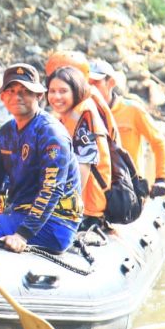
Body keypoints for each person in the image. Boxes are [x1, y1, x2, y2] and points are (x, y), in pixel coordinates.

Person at [0, 63, 82, 253]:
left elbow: (52, 189)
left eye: (25, 91)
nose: (17, 96)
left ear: (39, 96)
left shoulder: (51, 133)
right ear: (3, 96)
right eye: (11, 90)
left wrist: (23, 234)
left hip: (54, 224)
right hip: (19, 215)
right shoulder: (6, 132)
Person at [88, 59, 165, 198]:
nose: (90, 88)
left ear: (111, 83)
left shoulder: (132, 110)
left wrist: (161, 179)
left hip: (129, 188)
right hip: (96, 189)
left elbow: (159, 142)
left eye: (96, 83)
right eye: (87, 83)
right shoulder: (83, 113)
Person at [46, 66, 112, 229]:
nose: (56, 97)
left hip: (89, 209)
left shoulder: (84, 117)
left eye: (63, 91)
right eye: (52, 91)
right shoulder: (66, 116)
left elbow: (83, 165)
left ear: (76, 91)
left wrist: (66, 209)